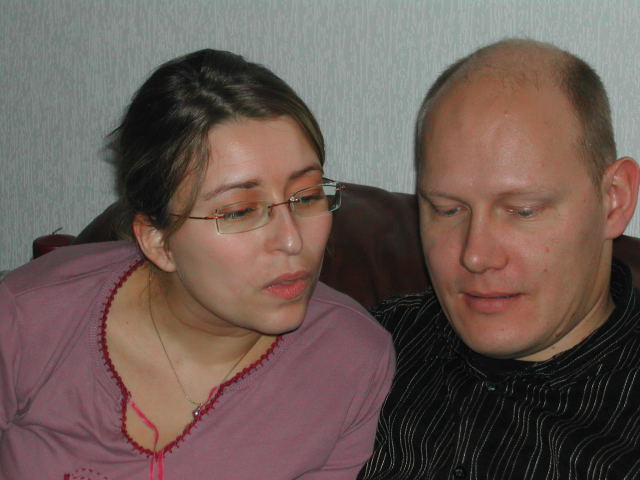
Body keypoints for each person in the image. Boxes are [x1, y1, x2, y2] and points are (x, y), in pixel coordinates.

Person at [0, 49, 395, 480]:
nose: (291, 240)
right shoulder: (27, 318)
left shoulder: (350, 361)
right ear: (158, 241)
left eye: (307, 197)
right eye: (240, 211)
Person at [359, 39, 640, 479]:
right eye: (447, 210)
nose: (475, 255)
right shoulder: (366, 347)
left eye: (522, 211)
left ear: (613, 200)